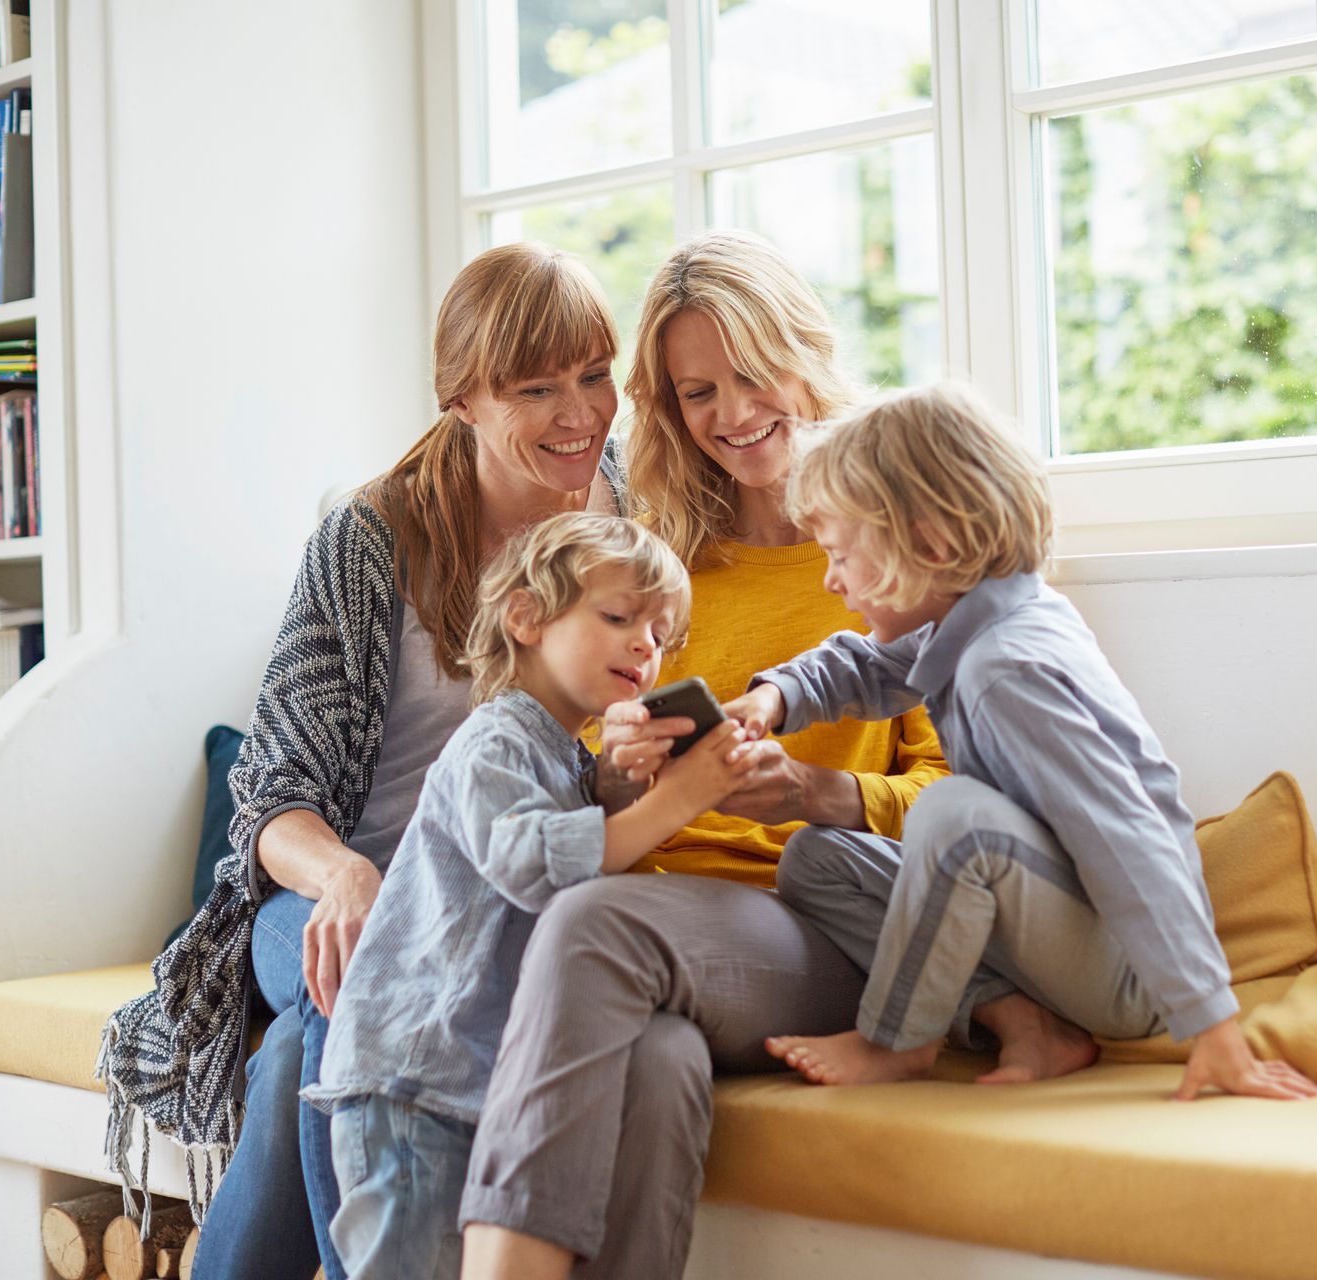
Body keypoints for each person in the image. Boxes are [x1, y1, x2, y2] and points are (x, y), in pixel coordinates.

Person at [98, 242, 626, 1280]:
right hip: (339, 889)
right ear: (462, 397)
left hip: (510, 891)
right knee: (354, 978)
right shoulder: (370, 538)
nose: (581, 413)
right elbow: (272, 799)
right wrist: (344, 873)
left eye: (596, 374)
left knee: (307, 1044)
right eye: (537, 387)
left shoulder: (636, 523)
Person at [456, 230, 947, 1280]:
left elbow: (961, 802)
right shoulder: (668, 567)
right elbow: (587, 770)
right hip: (674, 934)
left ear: (804, 352)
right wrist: (617, 765)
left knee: (589, 918)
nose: (730, 413)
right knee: (657, 1056)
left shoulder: (893, 555)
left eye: (751, 372)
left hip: (833, 923)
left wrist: (818, 790)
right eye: (694, 392)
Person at [733, 381, 1317, 1101]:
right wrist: (772, 698)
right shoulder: (974, 622)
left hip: (1122, 968)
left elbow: (1126, 838)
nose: (830, 580)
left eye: (840, 555)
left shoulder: (1007, 667)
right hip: (1042, 921)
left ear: (930, 544)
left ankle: (900, 1041)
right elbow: (865, 664)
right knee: (816, 859)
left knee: (950, 816)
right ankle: (1030, 1024)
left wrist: (1211, 1023)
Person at [311, 512, 754, 1279]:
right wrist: (680, 799)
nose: (646, 646)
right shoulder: (495, 741)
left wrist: (620, 784)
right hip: (420, 1078)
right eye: (618, 617)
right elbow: (537, 864)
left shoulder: (564, 756)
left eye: (659, 633)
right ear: (525, 618)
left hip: (475, 1081)